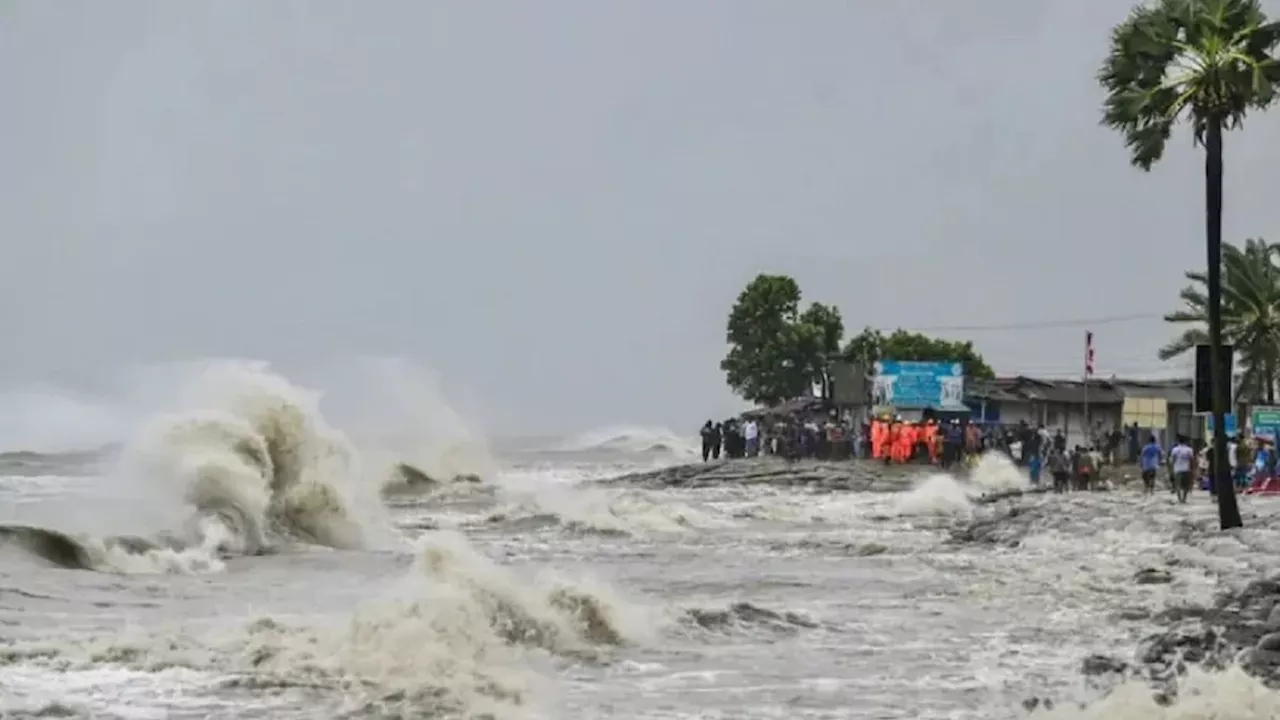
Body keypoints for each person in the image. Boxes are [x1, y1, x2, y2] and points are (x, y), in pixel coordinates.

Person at [1170, 435, 1195, 504]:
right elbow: (1191, 460)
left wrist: (1171, 468)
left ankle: (1179, 499)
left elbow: (1173, 460)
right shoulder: (1189, 449)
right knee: (1186, 485)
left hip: (1177, 469)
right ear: (1186, 442)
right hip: (1186, 469)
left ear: (1178, 441)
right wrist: (1192, 469)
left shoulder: (1175, 449)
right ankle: (1184, 498)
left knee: (1178, 484)